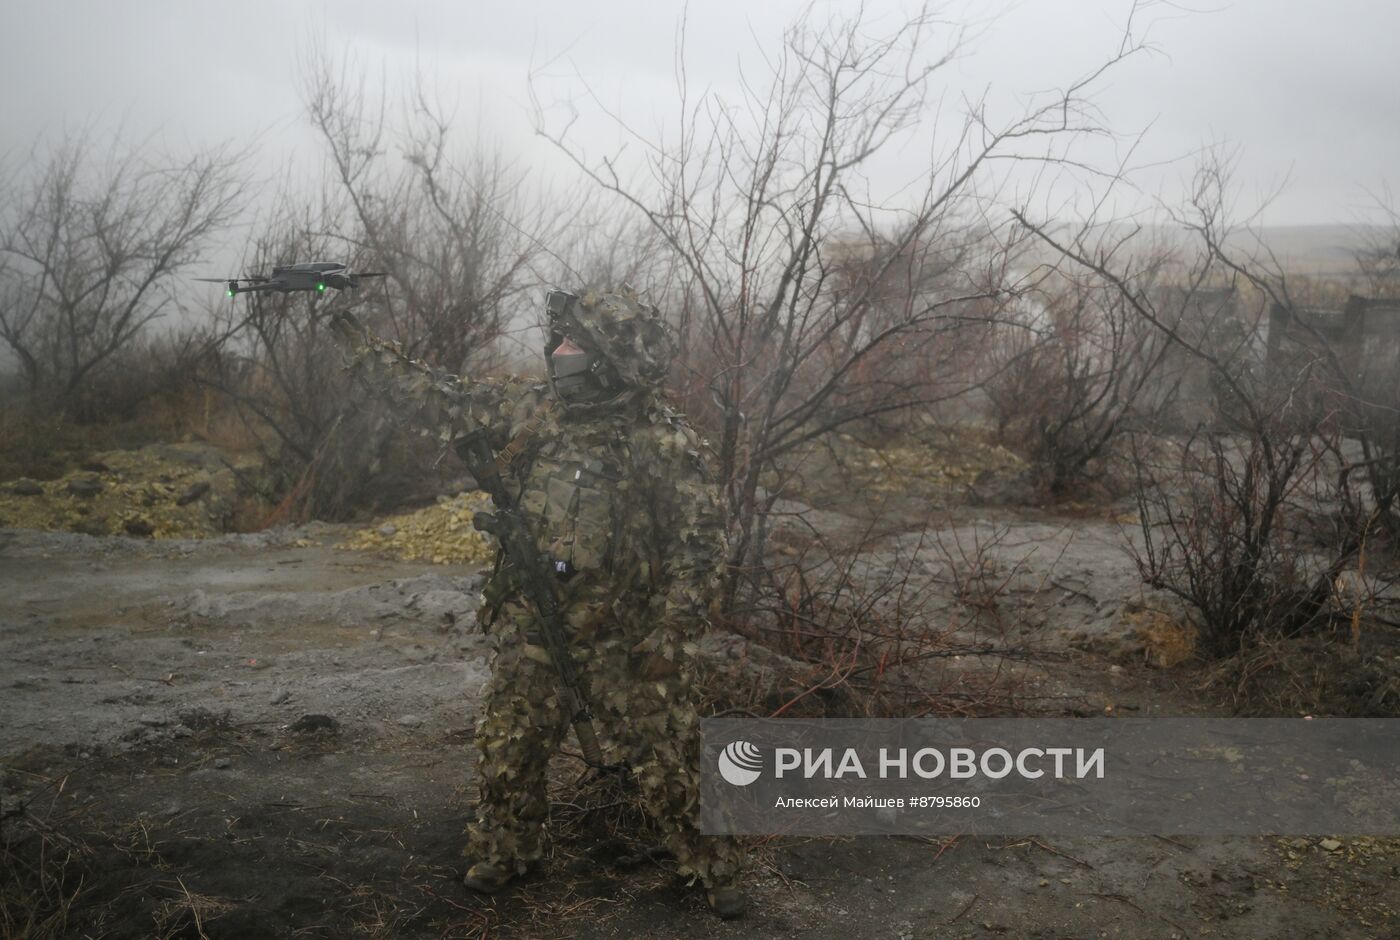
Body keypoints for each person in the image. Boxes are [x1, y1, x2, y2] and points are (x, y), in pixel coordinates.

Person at [330, 286, 747, 918]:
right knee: (508, 748)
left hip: (626, 639)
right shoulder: (537, 410)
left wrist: (670, 637)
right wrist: (357, 346)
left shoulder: (662, 444)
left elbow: (700, 549)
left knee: (672, 761)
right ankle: (510, 849)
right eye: (558, 339)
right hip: (536, 621)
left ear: (611, 357)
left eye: (576, 342)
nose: (560, 351)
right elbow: (444, 397)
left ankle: (713, 867)